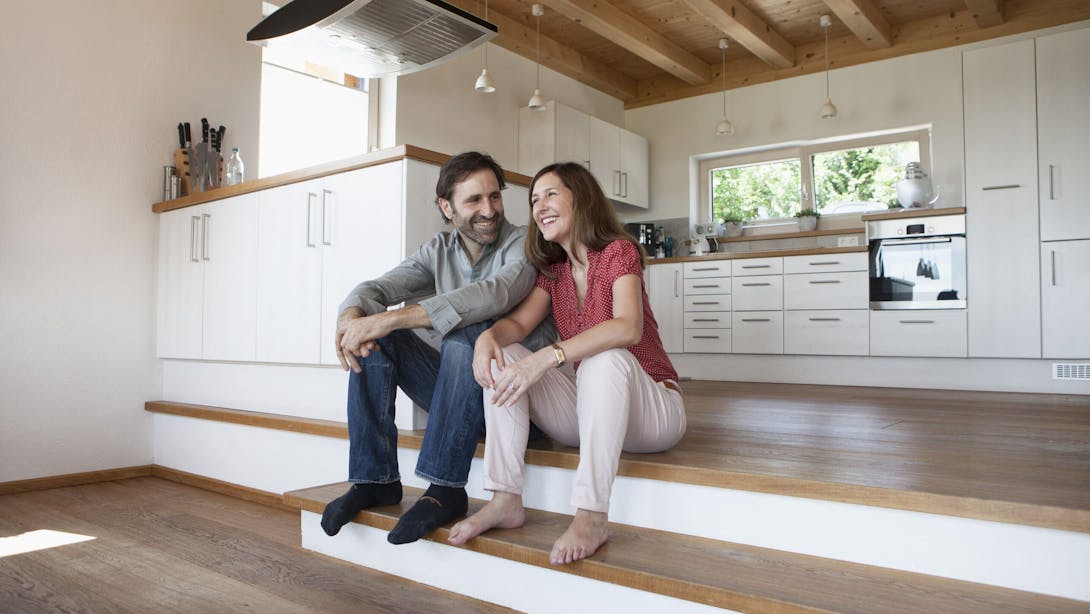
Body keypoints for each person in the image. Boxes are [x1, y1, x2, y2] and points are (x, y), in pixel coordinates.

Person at [448, 162, 687, 564]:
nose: (540, 205)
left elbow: (627, 327)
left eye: (551, 194)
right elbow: (518, 325)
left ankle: (592, 514)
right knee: (504, 355)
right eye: (534, 199)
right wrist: (487, 339)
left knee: (605, 356)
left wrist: (551, 356)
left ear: (581, 197)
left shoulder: (618, 252)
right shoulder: (554, 272)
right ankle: (506, 497)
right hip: (593, 414)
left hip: (654, 414)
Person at [321, 151, 555, 544]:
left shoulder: (524, 243)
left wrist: (393, 317)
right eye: (474, 200)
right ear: (446, 207)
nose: (489, 209)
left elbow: (493, 295)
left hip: (514, 409)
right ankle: (375, 479)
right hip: (458, 401)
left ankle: (445, 489)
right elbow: (377, 288)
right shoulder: (439, 250)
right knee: (377, 339)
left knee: (469, 331)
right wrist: (352, 317)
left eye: (494, 197)